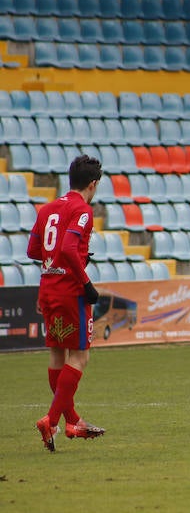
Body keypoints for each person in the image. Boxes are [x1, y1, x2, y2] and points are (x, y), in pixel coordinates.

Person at [27, 155, 106, 451]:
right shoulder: (82, 210)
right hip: (71, 290)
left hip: (48, 287)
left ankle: (72, 421)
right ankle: (51, 419)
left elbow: (34, 249)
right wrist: (86, 282)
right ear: (93, 184)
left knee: (58, 355)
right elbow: (70, 247)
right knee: (80, 356)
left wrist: (56, 261)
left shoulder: (47, 209)